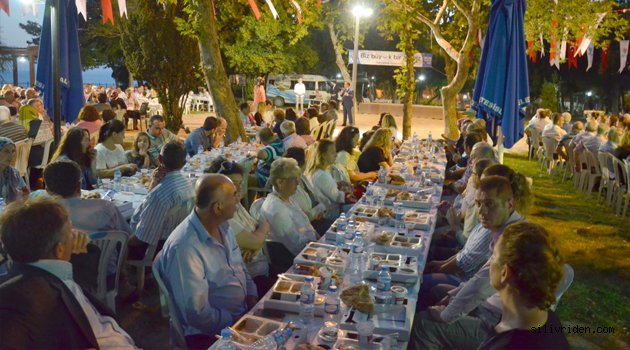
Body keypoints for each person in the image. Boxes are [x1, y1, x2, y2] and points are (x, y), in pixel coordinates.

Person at [0, 197, 137, 349]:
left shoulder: (54, 270)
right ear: (59, 250)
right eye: (70, 230)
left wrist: (80, 248)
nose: (76, 234)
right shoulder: (21, 301)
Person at [156, 174, 258, 349]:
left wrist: (252, 296)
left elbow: (239, 268)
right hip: (211, 333)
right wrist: (235, 321)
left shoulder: (223, 226)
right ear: (218, 207)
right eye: (234, 195)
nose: (238, 198)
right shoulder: (185, 247)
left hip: (242, 315)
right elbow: (197, 313)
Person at [479, 222, 569, 349]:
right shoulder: (548, 318)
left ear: (505, 273)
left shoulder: (508, 345)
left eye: (493, 256)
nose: (489, 262)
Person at [205, 158, 271, 297]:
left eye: (241, 183)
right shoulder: (223, 216)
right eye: (233, 185)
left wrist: (256, 241)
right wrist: (258, 238)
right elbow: (257, 237)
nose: (239, 189)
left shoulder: (237, 205)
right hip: (248, 280)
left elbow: (258, 234)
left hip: (260, 268)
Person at [128, 142, 194, 260]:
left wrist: (122, 242)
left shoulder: (160, 194)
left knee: (112, 241)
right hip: (177, 242)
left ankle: (121, 275)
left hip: (154, 250)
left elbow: (142, 238)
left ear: (159, 159)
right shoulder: (188, 183)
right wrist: (154, 182)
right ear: (184, 163)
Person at [43, 160, 132, 236]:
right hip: (104, 256)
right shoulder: (106, 208)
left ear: (47, 189)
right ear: (79, 186)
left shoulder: (42, 216)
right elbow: (127, 235)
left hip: (60, 256)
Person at [260, 158, 318, 259]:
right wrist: (320, 250)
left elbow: (306, 225)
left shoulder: (288, 198)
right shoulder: (276, 208)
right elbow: (296, 245)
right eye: (293, 179)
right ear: (280, 182)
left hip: (309, 247)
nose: (298, 183)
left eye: (298, 179)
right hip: (292, 259)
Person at [307, 140, 356, 220]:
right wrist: (350, 191)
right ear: (323, 155)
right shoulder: (322, 175)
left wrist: (337, 185)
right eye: (332, 152)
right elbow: (338, 198)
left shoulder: (319, 172)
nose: (336, 155)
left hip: (328, 210)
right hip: (330, 214)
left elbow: (328, 189)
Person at [284, 147, 329, 232]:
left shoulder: (302, 177)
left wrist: (320, 209)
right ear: (304, 163)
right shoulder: (290, 186)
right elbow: (302, 217)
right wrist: (319, 208)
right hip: (305, 229)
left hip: (314, 222)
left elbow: (316, 199)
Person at [0, 137, 28, 202]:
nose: (10, 155)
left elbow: (25, 191)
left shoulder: (13, 172)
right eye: (6, 151)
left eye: (13, 151)